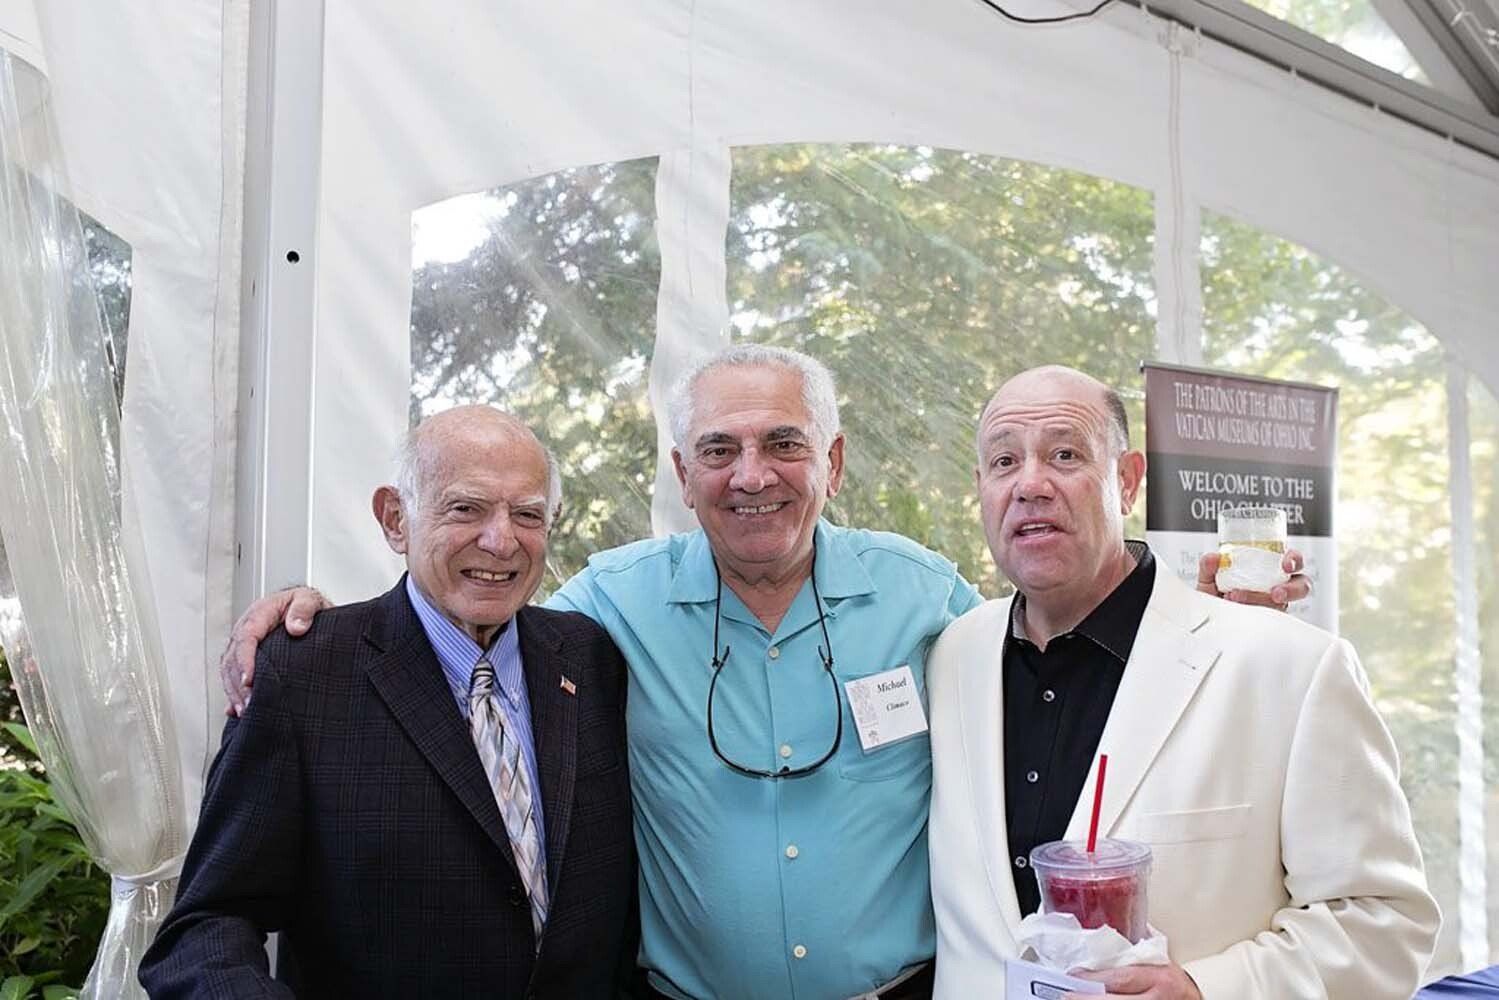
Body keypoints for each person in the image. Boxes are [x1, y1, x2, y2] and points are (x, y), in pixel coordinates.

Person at [217, 347, 1311, 999]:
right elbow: (466, 613)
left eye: (783, 443)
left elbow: (1067, 644)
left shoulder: (927, 600)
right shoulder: (604, 611)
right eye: (719, 449)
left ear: (830, 462)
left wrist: (1198, 611)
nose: (752, 476)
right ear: (680, 471)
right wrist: (316, 615)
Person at [925, 366, 1439, 999]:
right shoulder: (952, 658)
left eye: (1065, 455)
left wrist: (1204, 989)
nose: (1030, 484)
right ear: (981, 488)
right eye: (1004, 462)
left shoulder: (1286, 668)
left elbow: (1383, 923)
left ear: (1127, 480)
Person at [139, 407, 635, 998]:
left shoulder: (592, 658)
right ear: (396, 519)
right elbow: (207, 926)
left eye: (527, 514)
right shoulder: (303, 676)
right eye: (466, 508)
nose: (501, 540)